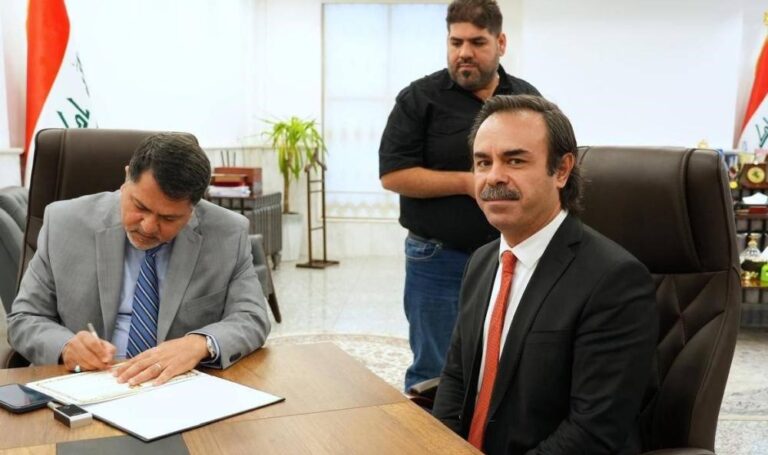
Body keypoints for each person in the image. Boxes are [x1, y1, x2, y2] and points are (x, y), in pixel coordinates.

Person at [432, 95, 657, 454]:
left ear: (562, 170)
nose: (494, 177)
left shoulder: (614, 280)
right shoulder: (482, 262)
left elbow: (594, 431)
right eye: (483, 162)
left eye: (515, 160)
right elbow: (458, 377)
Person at [8, 133, 270, 386]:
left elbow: (251, 317)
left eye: (168, 218)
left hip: (176, 386)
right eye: (140, 207)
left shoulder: (228, 233)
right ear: (126, 178)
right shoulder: (64, 223)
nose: (148, 227)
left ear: (193, 209)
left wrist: (199, 344)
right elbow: (25, 317)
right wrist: (65, 347)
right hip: (87, 385)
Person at [379, 0, 540, 391]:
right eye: (456, 42)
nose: (464, 52)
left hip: (509, 255)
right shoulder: (419, 98)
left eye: (477, 42)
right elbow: (394, 175)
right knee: (434, 369)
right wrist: (468, 183)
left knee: (506, 362)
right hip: (437, 258)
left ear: (501, 43)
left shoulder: (527, 100)